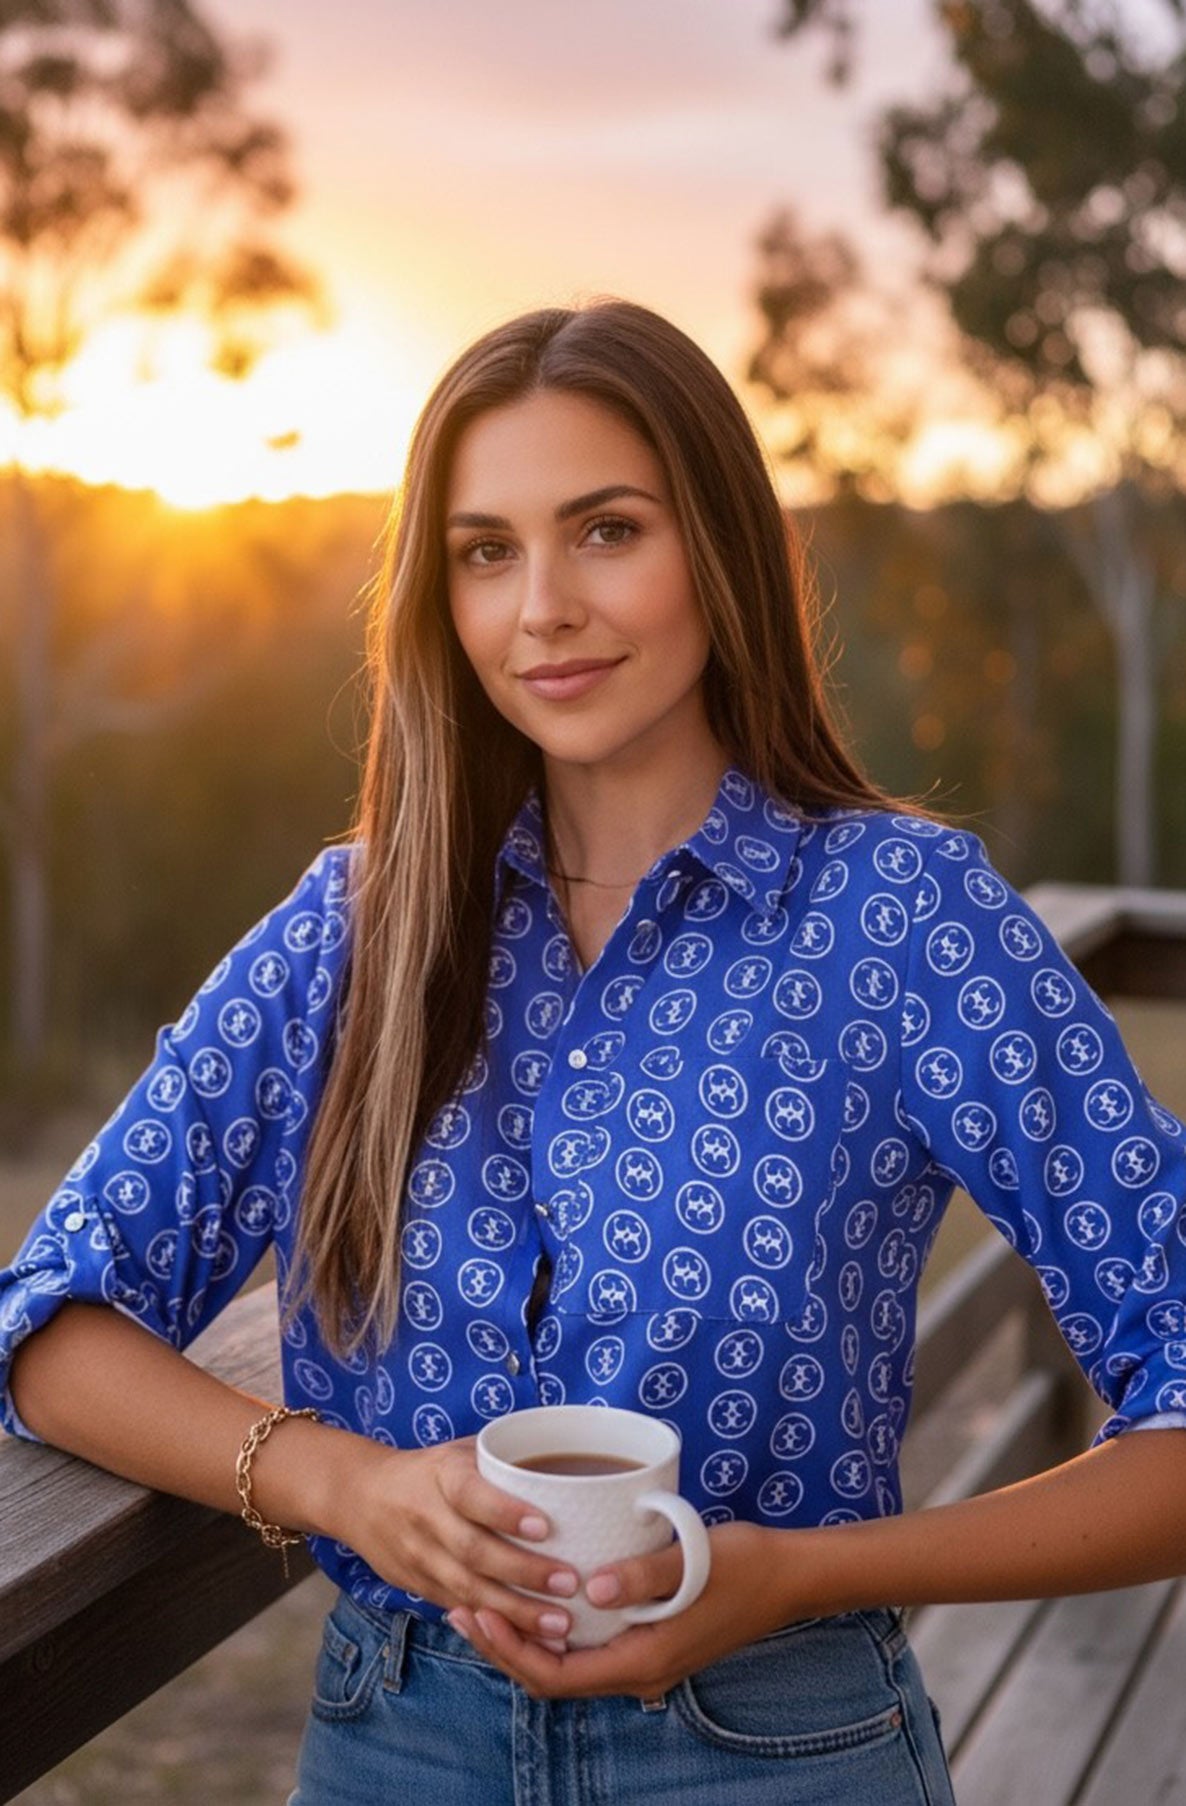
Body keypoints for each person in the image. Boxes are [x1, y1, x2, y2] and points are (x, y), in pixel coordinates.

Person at [3, 296, 1185, 1806]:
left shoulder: (900, 920)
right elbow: (50, 1317)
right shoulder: (356, 931)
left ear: (720, 552)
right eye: (485, 550)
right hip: (393, 1746)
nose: (541, 605)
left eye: (606, 530)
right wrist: (338, 1481)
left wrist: (788, 1573)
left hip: (781, 1748)